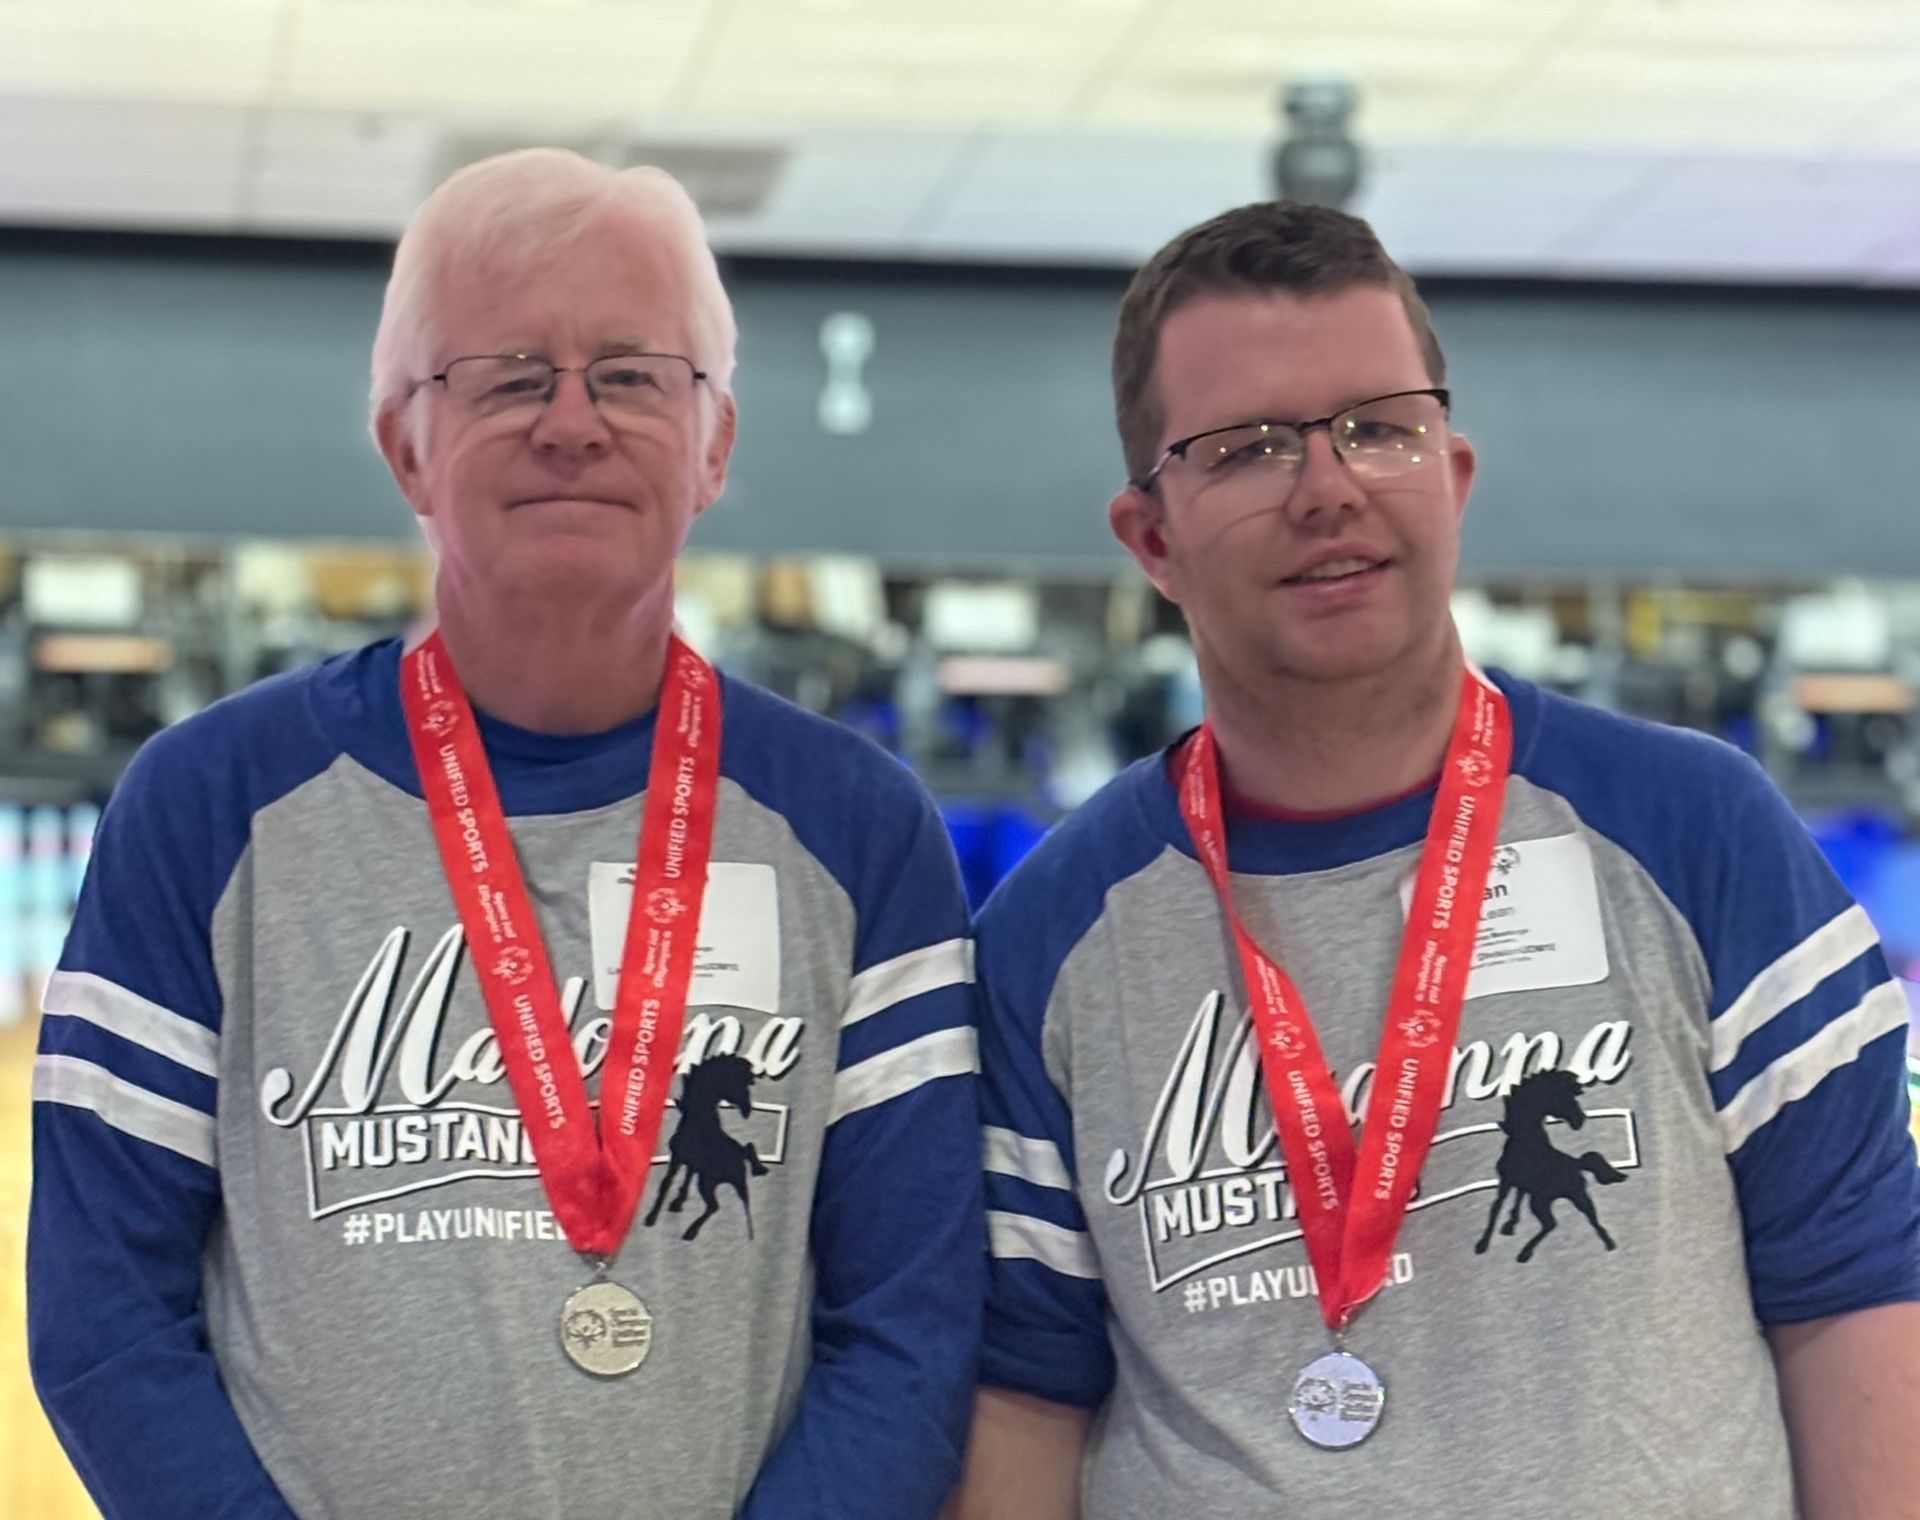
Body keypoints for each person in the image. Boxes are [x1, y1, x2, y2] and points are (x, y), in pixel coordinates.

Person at [28, 148, 981, 1520]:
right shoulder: (204, 805)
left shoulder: (855, 828)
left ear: (715, 441)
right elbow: (103, 1317)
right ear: (404, 441)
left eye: (635, 374)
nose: (573, 422)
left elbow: (912, 1328)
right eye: (510, 375)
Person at [951, 201, 1920, 1519]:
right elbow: (1026, 1396)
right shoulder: (1050, 937)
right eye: (1245, 449)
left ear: (1452, 473)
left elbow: (1858, 1298)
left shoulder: (1698, 833)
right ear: (1153, 539)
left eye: (1376, 427)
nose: (1328, 486)